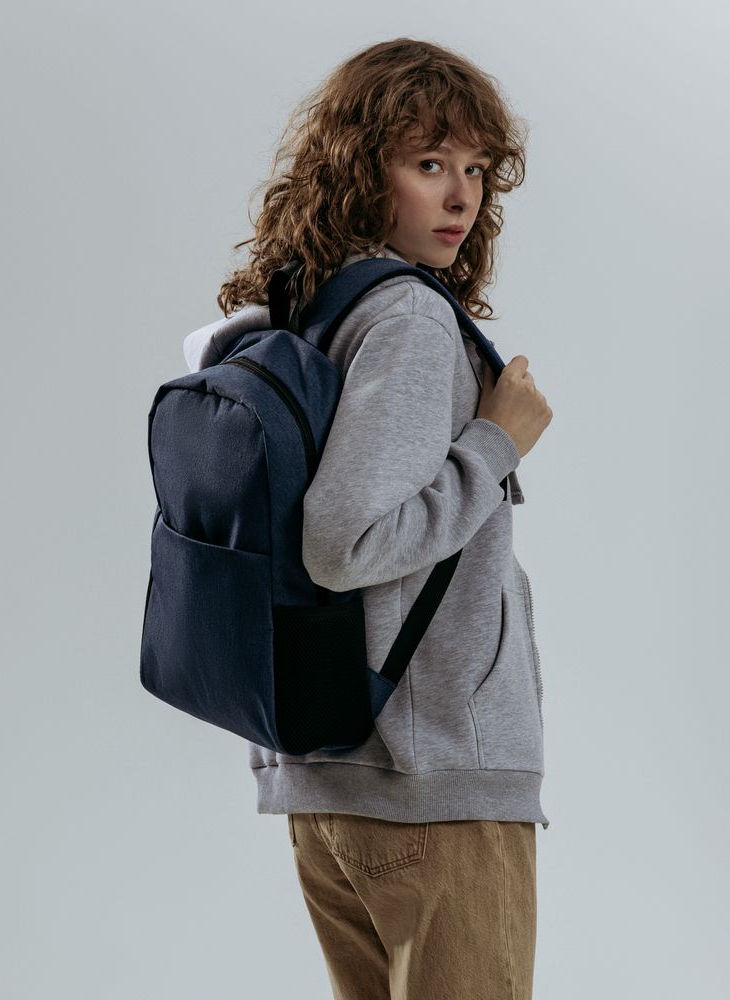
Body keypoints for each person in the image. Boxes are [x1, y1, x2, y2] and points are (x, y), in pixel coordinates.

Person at [183, 36, 553, 1000]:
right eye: (429, 164)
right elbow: (344, 542)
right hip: (429, 788)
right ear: (361, 170)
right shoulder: (411, 320)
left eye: (476, 169)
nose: (461, 197)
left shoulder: (309, 308)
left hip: (329, 784)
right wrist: (498, 442)